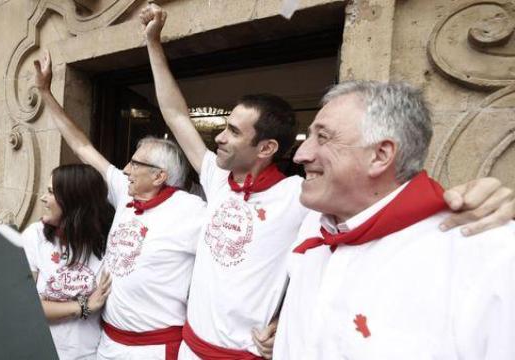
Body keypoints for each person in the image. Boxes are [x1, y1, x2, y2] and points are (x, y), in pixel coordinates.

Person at [140, 4, 515, 358]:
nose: (302, 157)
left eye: (324, 137)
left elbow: (393, 208)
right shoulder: (240, 192)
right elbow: (175, 115)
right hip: (191, 347)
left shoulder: (299, 201)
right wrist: (153, 44)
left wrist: (461, 200)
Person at [273, 80, 515, 359]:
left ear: (380, 155)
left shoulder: (488, 254)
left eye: (323, 137)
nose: (301, 154)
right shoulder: (314, 224)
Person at [33, 52, 207, 360]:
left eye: (135, 163)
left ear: (159, 176)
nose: (125, 168)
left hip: (153, 349)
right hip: (107, 342)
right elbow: (82, 146)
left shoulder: (192, 211)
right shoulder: (125, 194)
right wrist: (46, 93)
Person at [22, 164, 114, 360]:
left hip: (89, 355)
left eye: (51, 192)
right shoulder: (35, 236)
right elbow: (24, 304)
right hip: (38, 351)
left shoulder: (107, 243)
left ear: (73, 200)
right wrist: (82, 306)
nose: (43, 198)